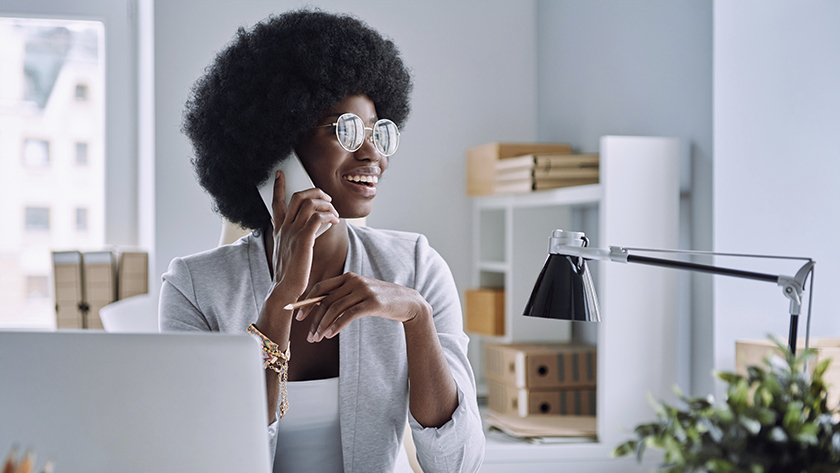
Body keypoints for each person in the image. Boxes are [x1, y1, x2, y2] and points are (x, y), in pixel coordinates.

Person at [159, 9, 485, 473]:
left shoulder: (415, 268)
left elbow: (457, 465)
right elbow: (208, 456)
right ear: (277, 146)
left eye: (379, 132)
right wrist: (282, 298)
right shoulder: (194, 288)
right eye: (346, 130)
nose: (372, 153)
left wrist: (417, 316)